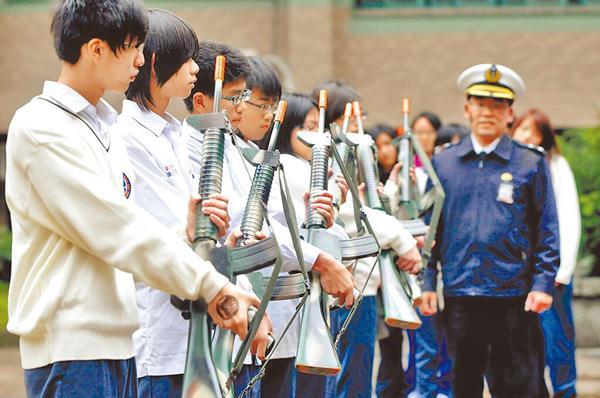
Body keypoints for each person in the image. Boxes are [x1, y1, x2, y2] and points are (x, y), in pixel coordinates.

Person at [5, 1, 264, 396]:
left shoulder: (102, 126)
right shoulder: (43, 127)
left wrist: (182, 233)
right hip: (70, 348)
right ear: (96, 49)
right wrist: (213, 287)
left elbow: (119, 227)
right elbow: (113, 227)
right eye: (134, 48)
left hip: (115, 342)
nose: (142, 61)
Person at [183, 44, 356, 397]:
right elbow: (239, 228)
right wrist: (321, 259)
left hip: (272, 310)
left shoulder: (244, 154)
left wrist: (323, 220)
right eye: (241, 98)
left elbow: (271, 226)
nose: (245, 108)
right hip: (242, 308)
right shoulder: (219, 152)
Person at [420, 63, 560, 397]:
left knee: (518, 386)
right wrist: (426, 281)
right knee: (460, 384)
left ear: (510, 113)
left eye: (497, 106)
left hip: (513, 296)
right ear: (467, 109)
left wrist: (542, 283)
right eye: (480, 104)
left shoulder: (530, 162)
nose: (488, 112)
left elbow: (547, 229)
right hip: (459, 294)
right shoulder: (444, 162)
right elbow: (429, 230)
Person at [512, 109, 581, 397]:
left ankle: (565, 391)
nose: (526, 134)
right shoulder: (511, 164)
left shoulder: (556, 165)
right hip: (519, 273)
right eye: (522, 128)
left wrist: (561, 270)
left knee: (557, 339)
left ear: (544, 137)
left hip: (552, 273)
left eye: (533, 130)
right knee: (527, 343)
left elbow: (568, 218)